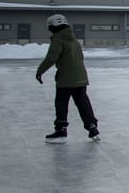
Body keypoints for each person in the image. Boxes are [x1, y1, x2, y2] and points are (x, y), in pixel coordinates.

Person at [35, 13, 100, 142]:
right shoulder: (74, 40)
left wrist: (40, 71)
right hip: (81, 78)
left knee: (61, 103)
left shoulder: (58, 40)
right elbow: (80, 58)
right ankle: (92, 128)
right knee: (83, 103)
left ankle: (61, 130)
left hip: (66, 79)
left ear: (53, 26)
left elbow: (51, 58)